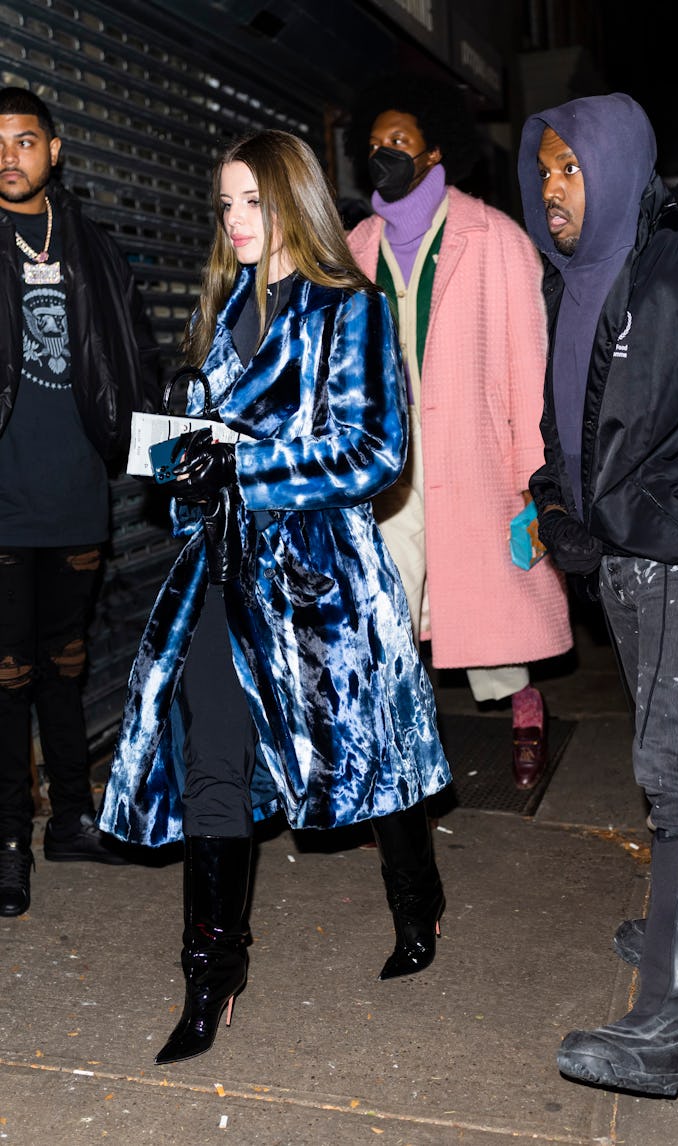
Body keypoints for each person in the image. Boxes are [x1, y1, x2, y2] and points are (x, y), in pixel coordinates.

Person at [96, 129, 452, 1066]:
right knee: (211, 752)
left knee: (372, 760)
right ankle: (211, 975)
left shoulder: (349, 307)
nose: (236, 220)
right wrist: (183, 463)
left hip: (323, 581)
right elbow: (210, 453)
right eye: (225, 205)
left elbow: (374, 452)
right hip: (225, 571)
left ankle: (417, 900)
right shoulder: (227, 312)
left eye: (253, 201)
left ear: (295, 199)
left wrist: (242, 466)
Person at [517, 92, 678, 1102]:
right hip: (624, 557)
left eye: (571, 169)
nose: (552, 189)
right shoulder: (576, 280)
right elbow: (574, 424)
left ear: (617, 167)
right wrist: (559, 500)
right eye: (544, 170)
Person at [344, 75, 572, 792]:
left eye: (399, 140)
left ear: (435, 149)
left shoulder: (494, 238)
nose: (384, 152)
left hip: (475, 450)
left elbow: (529, 366)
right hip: (387, 457)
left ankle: (524, 708)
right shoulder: (354, 247)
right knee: (388, 607)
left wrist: (534, 477)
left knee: (489, 597)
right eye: (374, 143)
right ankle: (397, 752)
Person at [0, 87, 161, 919]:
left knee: (67, 663)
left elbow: (135, 356)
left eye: (25, 140)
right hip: (2, 497)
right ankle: (8, 842)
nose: (9, 156)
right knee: (6, 674)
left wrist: (159, 449)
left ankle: (70, 818)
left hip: (75, 493)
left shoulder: (91, 247)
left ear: (54, 150)